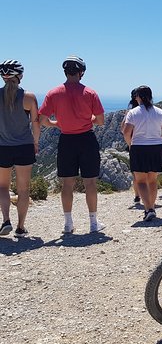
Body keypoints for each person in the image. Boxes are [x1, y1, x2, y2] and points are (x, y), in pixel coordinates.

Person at [38, 56, 105, 234]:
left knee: (67, 184)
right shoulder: (90, 93)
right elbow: (100, 121)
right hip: (87, 139)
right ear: (81, 72)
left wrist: (57, 123)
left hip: (66, 140)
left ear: (65, 72)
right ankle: (93, 223)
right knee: (90, 182)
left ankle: (68, 223)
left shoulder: (53, 93)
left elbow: (43, 120)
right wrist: (87, 119)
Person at [0, 60, 40, 238]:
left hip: (3, 147)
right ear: (20, 76)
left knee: (2, 187)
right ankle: (21, 227)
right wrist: (36, 142)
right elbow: (36, 123)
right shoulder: (29, 97)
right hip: (24, 147)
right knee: (23, 190)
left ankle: (6, 220)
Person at [122, 86, 162, 221]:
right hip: (156, 147)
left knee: (141, 181)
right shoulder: (160, 112)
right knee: (152, 180)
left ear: (139, 97)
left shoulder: (133, 112)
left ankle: (148, 209)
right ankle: (152, 207)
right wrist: (161, 141)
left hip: (139, 147)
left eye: (136, 96)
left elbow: (126, 132)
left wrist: (131, 145)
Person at [122, 88, 141, 204]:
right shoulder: (150, 111)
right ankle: (148, 195)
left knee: (136, 172)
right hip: (149, 144)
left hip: (134, 144)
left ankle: (137, 195)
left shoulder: (130, 112)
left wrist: (129, 143)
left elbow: (122, 129)